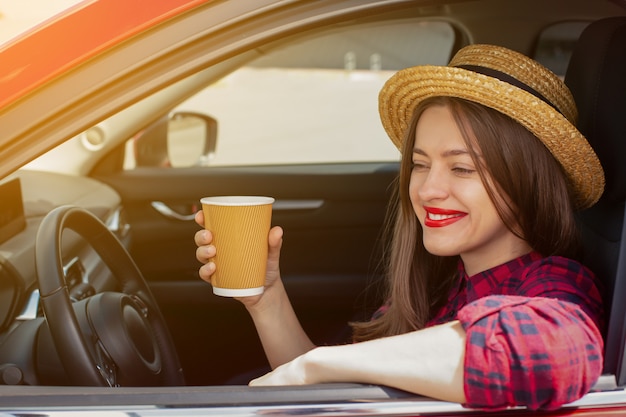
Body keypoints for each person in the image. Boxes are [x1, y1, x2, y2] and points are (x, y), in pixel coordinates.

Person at [194, 44, 606, 411]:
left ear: (527, 181)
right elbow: (323, 389)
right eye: (420, 164)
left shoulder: (556, 282)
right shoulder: (439, 287)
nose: (428, 189)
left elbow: (557, 349)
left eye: (461, 168)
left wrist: (320, 363)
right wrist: (267, 299)